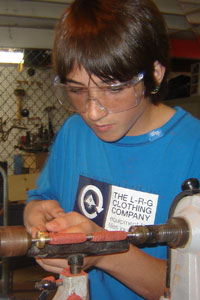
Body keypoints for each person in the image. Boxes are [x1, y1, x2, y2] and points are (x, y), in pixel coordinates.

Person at [23, 0, 200, 299]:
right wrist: (34, 212)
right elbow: (42, 197)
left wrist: (103, 252)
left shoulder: (193, 148)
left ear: (155, 73)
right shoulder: (73, 133)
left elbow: (190, 287)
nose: (92, 112)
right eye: (77, 90)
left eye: (114, 88)